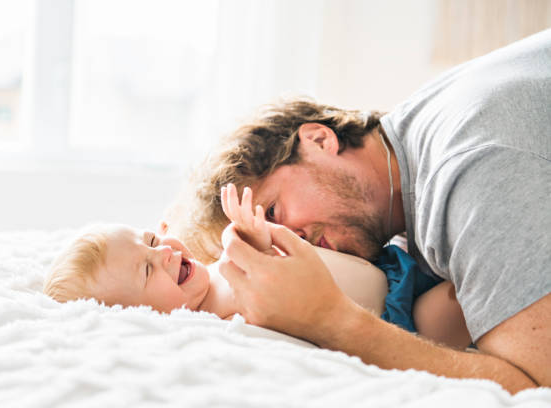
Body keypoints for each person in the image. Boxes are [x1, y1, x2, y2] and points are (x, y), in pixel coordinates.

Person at [180, 29, 551, 393]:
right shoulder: (414, 144)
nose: (291, 244)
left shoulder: (467, 172)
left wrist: (329, 318)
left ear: (319, 139)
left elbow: (535, 386)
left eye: (273, 212)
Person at [43, 184, 471, 348]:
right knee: (468, 300)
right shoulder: (215, 323)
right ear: (138, 317)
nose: (165, 253)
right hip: (396, 321)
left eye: (152, 241)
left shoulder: (216, 263)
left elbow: (288, 261)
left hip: (389, 264)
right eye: (148, 271)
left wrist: (260, 240)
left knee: (458, 240)